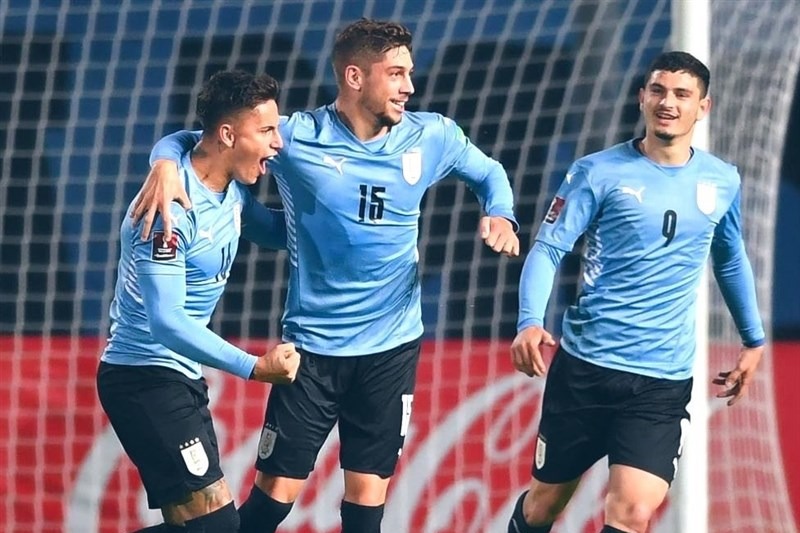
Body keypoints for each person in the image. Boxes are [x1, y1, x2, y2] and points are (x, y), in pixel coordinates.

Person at [131, 18, 520, 533]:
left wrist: (501, 213)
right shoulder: (296, 137)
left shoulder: (432, 135)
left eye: (409, 73)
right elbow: (212, 136)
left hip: (391, 348)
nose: (409, 86)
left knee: (366, 511)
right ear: (355, 77)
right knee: (268, 508)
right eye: (396, 73)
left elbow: (489, 172)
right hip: (311, 352)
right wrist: (163, 161)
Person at [507, 51, 765, 533]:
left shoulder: (722, 180)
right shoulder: (597, 172)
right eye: (659, 91)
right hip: (586, 369)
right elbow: (548, 248)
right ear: (642, 97)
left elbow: (730, 258)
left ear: (703, 107)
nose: (668, 103)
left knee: (631, 513)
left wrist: (753, 339)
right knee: (543, 506)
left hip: (661, 381)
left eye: (682, 94)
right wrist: (529, 321)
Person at [97, 70, 301, 533]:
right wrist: (254, 367)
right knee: (218, 526)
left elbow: (277, 231)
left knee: (198, 526)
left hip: (180, 378)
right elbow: (167, 321)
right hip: (143, 377)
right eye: (266, 131)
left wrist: (346, 222)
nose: (278, 143)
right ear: (228, 135)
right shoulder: (167, 211)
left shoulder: (230, 192)